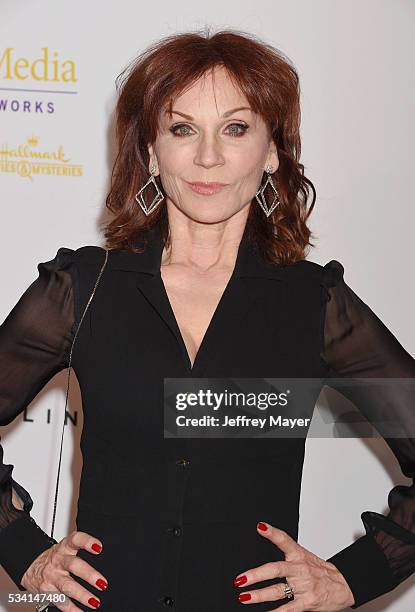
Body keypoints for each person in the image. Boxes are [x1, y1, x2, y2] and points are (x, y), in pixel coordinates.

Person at [0, 28, 414, 612]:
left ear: (273, 150)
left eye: (236, 129)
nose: (208, 157)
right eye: (182, 128)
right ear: (150, 150)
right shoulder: (82, 291)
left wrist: (357, 575)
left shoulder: (314, 305)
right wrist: (23, 550)